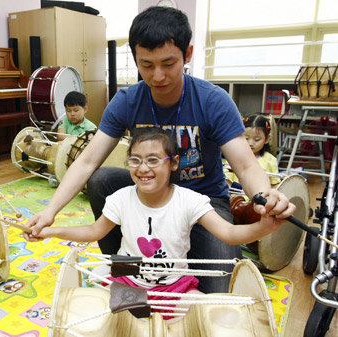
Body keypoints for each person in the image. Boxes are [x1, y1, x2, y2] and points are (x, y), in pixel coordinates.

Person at [27, 6, 295, 293]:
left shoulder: (213, 101)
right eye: (147, 65)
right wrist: (50, 212)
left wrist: (263, 197)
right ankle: (124, 261)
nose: (157, 76)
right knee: (102, 179)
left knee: (216, 291)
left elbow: (245, 165)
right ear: (135, 59)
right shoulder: (127, 100)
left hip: (202, 201)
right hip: (148, 195)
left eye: (168, 63)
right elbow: (87, 161)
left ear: (187, 54)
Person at [25, 127, 282, 317]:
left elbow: (227, 232)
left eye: (153, 160)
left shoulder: (190, 200)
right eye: (135, 160)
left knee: (209, 315)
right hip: (129, 279)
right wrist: (52, 230)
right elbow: (94, 231)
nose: (143, 168)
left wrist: (262, 228)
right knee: (94, 314)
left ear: (174, 164)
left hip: (175, 286)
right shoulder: (120, 198)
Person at [224, 114, 281, 188]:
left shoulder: (270, 160)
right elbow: (226, 181)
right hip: (237, 197)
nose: (250, 143)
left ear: (267, 139)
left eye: (257, 139)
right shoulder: (233, 157)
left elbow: (274, 185)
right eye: (246, 138)